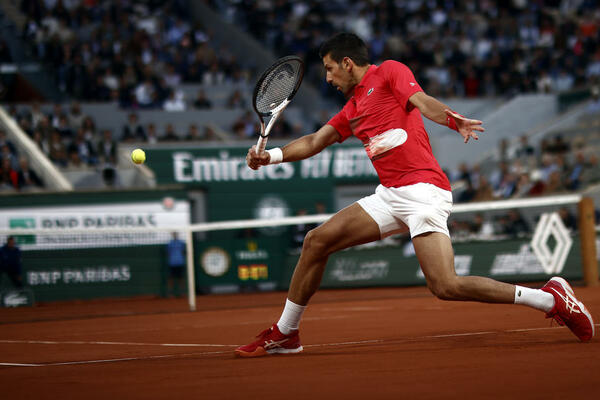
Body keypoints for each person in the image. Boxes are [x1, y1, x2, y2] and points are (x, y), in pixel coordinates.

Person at [236, 33, 594, 357]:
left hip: (423, 191)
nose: (327, 78)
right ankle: (286, 332)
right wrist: (272, 156)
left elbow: (421, 101)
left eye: (330, 69)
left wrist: (455, 120)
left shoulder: (389, 71)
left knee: (445, 285)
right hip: (390, 195)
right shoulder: (353, 108)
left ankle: (550, 299)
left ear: (347, 63)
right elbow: (315, 141)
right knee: (316, 242)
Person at [166, 232, 185, 297]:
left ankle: (182, 292)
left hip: (180, 263)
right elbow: (168, 252)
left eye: (176, 234)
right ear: (172, 235)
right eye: (174, 234)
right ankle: (170, 293)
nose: (175, 235)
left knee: (181, 278)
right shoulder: (170, 243)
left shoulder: (181, 243)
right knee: (171, 278)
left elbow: (183, 251)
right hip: (172, 263)